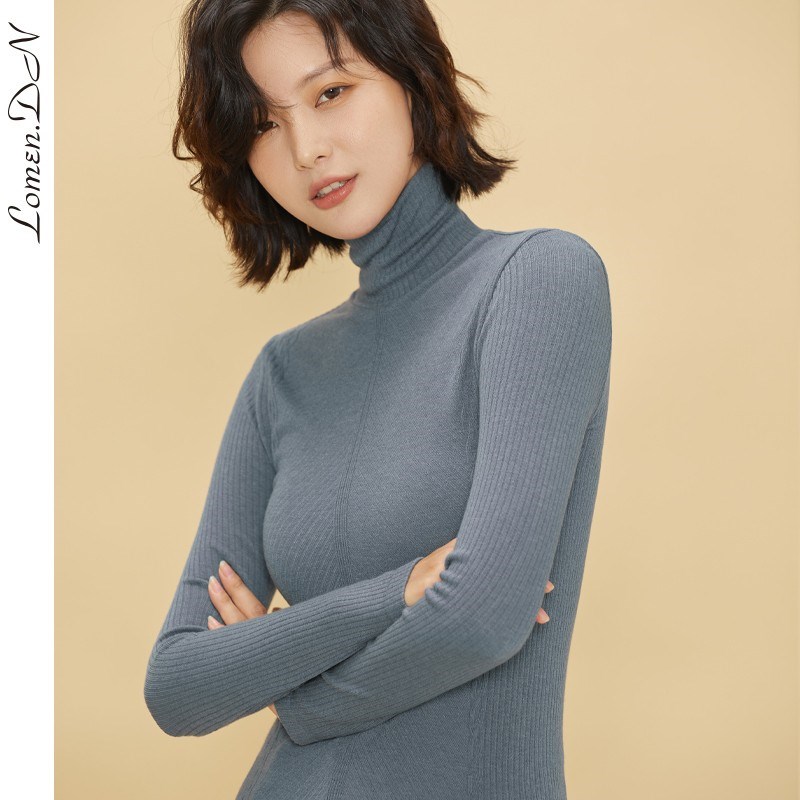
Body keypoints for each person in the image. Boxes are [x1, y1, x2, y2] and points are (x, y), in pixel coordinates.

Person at [143, 1, 613, 798]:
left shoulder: (538, 283)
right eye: (262, 125)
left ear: (412, 78)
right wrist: (393, 594)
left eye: (331, 92)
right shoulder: (284, 373)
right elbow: (179, 684)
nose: (306, 148)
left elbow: (483, 618)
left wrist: (291, 692)